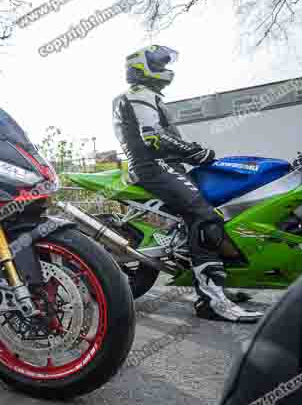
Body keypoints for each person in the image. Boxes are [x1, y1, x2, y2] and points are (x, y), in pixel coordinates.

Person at [112, 45, 262, 323]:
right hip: (154, 167)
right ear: (141, 66)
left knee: (211, 210)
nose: (166, 67)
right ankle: (211, 302)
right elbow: (154, 137)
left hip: (164, 166)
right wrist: (196, 153)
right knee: (205, 218)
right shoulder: (138, 94)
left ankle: (218, 287)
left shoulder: (147, 96)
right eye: (159, 62)